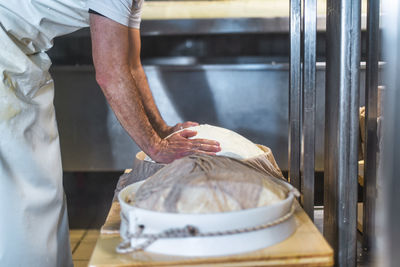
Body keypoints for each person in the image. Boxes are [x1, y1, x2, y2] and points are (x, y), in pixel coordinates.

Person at [0, 1, 220, 266]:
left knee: (41, 190)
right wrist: (155, 146)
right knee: (23, 197)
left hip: (19, 52)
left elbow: (131, 66)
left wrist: (162, 131)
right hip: (7, 50)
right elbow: (110, 74)